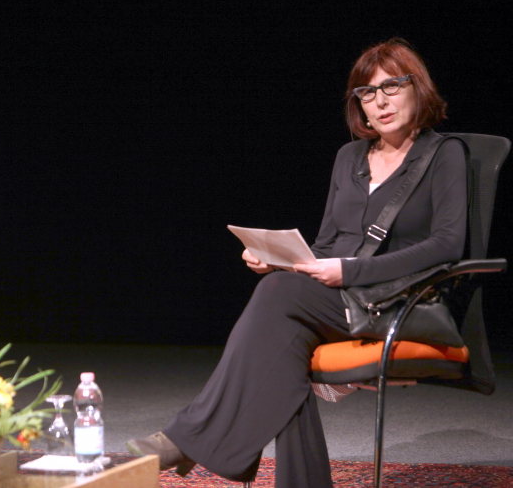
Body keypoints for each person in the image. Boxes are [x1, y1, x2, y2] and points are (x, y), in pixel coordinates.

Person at [126, 38, 467, 487]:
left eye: (392, 86)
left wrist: (348, 272)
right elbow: (325, 245)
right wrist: (279, 260)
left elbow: (447, 245)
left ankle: (186, 438)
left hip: (400, 302)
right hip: (339, 298)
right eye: (367, 93)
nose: (380, 102)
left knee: (278, 297)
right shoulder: (349, 158)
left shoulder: (444, 154)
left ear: (416, 88)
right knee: (282, 340)